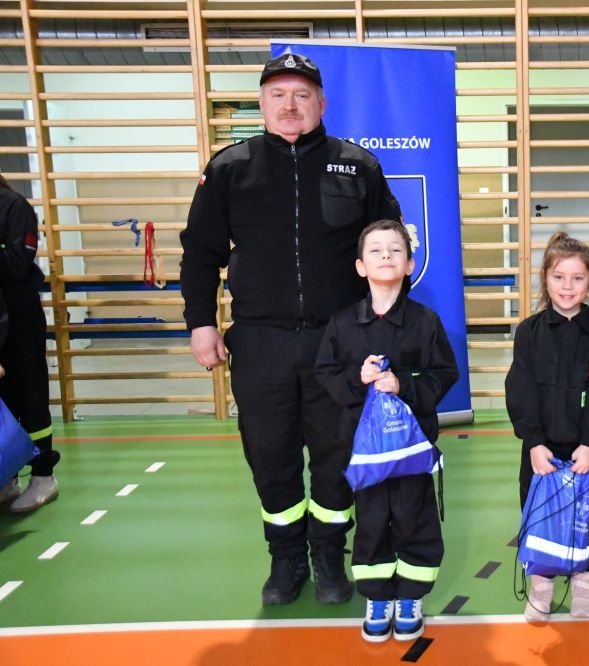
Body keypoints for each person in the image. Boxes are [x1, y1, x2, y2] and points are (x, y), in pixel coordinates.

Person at [180, 53, 402, 606]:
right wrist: (202, 323)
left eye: (302, 95)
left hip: (340, 343)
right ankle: (286, 559)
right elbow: (200, 253)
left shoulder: (358, 166)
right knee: (270, 455)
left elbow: (390, 249)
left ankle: (328, 555)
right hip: (261, 342)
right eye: (277, 94)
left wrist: (384, 326)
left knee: (337, 456)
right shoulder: (231, 168)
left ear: (321, 103)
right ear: (261, 104)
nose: (289, 105)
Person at [314, 219, 458, 642]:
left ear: (410, 264)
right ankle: (377, 596)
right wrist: (356, 379)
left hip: (412, 451)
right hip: (365, 453)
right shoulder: (342, 324)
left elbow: (444, 374)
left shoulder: (426, 322)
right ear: (360, 266)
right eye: (375, 250)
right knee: (372, 521)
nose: (386, 256)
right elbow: (325, 374)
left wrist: (404, 384)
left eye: (396, 250)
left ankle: (411, 595)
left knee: (416, 519)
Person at [505, 231, 589, 621]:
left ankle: (583, 586)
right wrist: (534, 442)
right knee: (541, 520)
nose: (568, 286)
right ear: (545, 279)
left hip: (585, 452)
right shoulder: (528, 333)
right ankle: (541, 590)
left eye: (577, 278)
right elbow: (520, 391)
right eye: (559, 277)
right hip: (541, 452)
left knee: (587, 521)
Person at [0, 173, 59, 512]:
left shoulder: (13, 206)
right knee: (3, 402)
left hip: (19, 315)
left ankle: (43, 475)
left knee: (30, 395)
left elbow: (17, 263)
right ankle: (7, 476)